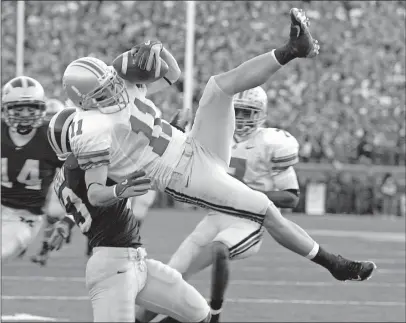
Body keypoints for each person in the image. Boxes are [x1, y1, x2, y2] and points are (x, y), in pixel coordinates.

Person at [63, 8, 376, 306]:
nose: (113, 91)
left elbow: (172, 72)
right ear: (84, 103)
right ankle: (335, 265)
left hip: (192, 143)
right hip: (182, 175)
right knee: (265, 209)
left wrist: (155, 50)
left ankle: (292, 49)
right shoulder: (92, 127)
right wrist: (120, 189)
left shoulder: (121, 80)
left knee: (218, 87)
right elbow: (95, 192)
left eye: (109, 83)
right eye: (102, 92)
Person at [137, 86, 305, 323]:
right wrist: (177, 131)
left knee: (220, 249)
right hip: (214, 216)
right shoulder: (215, 136)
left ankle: (213, 314)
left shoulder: (270, 142)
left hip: (248, 220)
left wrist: (249, 196)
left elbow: (291, 196)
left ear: (261, 114)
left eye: (249, 113)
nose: (242, 119)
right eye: (238, 111)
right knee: (172, 278)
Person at [46, 108, 211, 323]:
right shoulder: (85, 169)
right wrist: (176, 128)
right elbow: (147, 164)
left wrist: (66, 224)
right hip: (112, 269)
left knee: (199, 315)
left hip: (137, 261)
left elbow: (90, 203)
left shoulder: (70, 174)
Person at [1, 76, 63, 262]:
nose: (26, 114)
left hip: (23, 217)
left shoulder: (52, 138)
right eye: (19, 109)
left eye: (31, 108)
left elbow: (79, 176)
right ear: (6, 109)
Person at [31, 98, 67, 265]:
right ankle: (44, 249)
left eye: (54, 117)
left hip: (63, 177)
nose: (50, 123)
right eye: (48, 117)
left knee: (53, 213)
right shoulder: (37, 137)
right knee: (49, 215)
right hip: (44, 178)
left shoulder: (67, 134)